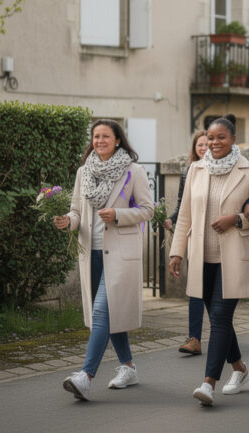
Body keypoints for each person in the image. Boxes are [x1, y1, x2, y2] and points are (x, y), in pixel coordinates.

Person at [169, 115, 249, 406]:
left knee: (220, 318)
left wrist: (238, 218)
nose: (214, 143)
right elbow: (185, 214)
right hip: (201, 257)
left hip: (234, 259)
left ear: (233, 139)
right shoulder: (195, 170)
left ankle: (208, 383)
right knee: (218, 319)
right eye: (210, 138)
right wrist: (177, 252)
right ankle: (239, 368)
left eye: (221, 138)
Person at [55, 119, 154, 401]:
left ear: (118, 140)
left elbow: (147, 209)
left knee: (102, 312)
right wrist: (68, 221)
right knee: (111, 317)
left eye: (106, 136)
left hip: (121, 254)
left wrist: (120, 215)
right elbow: (76, 210)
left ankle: (85, 377)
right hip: (92, 253)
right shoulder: (83, 171)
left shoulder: (133, 171)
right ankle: (128, 367)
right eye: (96, 136)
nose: (99, 141)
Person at [163, 130, 207, 356]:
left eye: (207, 144)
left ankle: (223, 336)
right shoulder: (188, 171)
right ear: (194, 148)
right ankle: (194, 338)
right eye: (199, 145)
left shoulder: (223, 169)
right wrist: (171, 218)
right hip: (195, 238)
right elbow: (183, 204)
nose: (203, 148)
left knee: (217, 293)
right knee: (196, 289)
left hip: (218, 238)